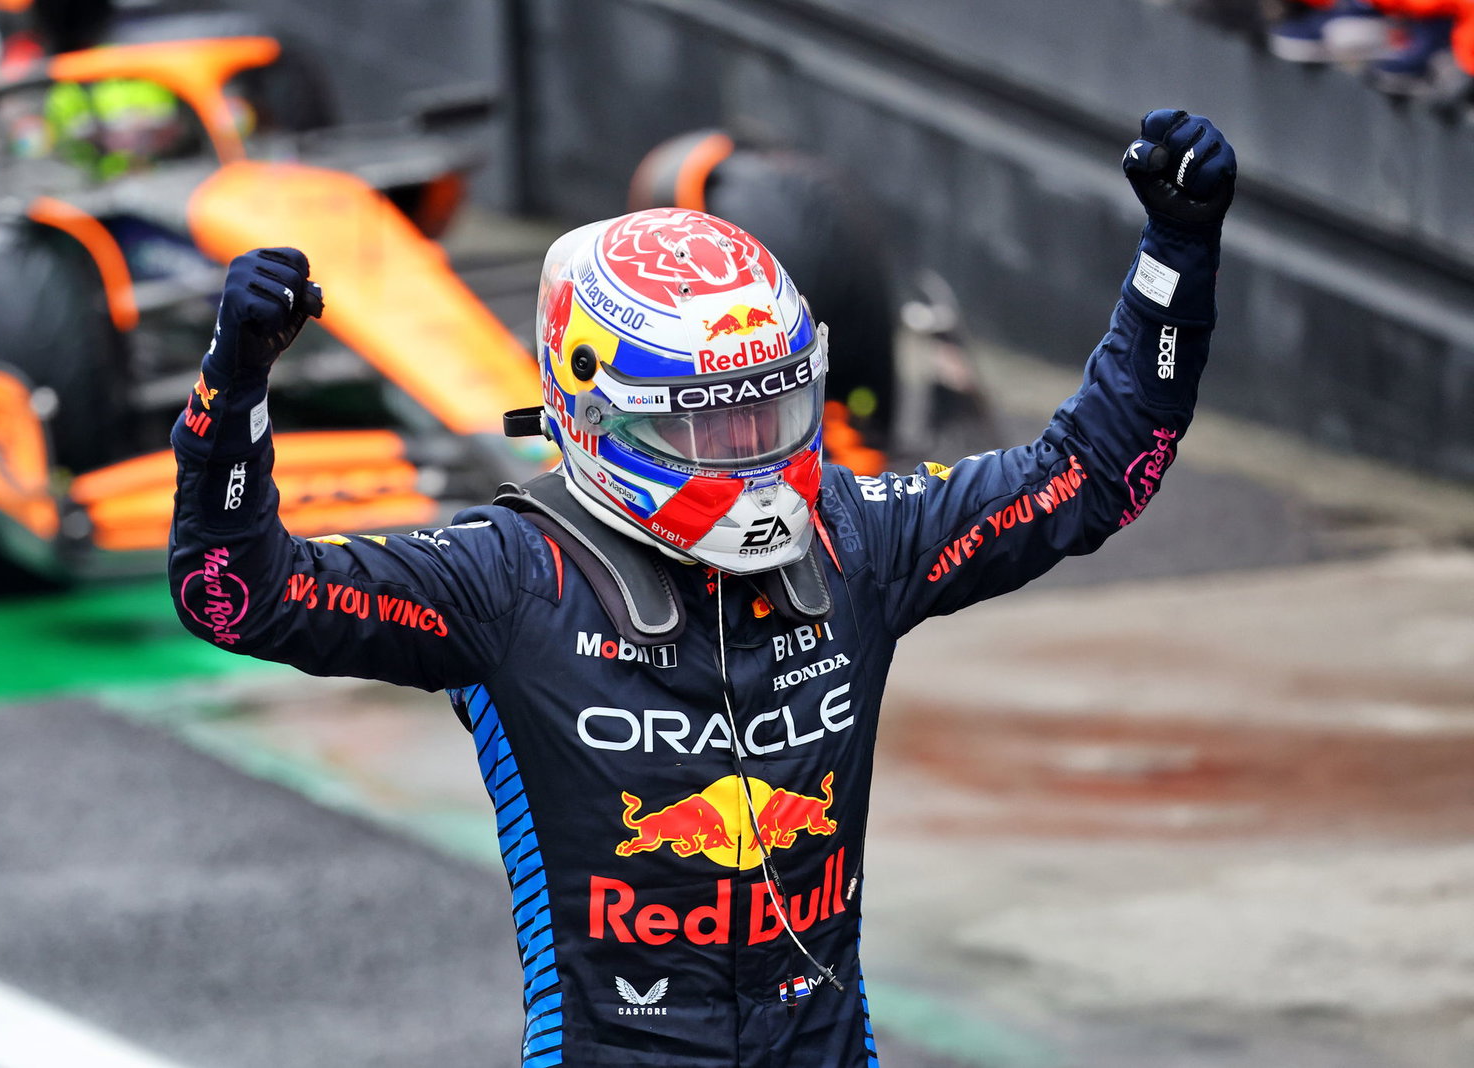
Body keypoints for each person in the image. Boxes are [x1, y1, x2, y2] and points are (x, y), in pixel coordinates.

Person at [168, 110, 1236, 1067]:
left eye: (770, 415)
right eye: (712, 426)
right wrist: (232, 398)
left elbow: (1094, 474)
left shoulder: (857, 539)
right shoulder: (505, 581)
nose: (750, 458)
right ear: (595, 410)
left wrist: (1175, 256)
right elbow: (236, 597)